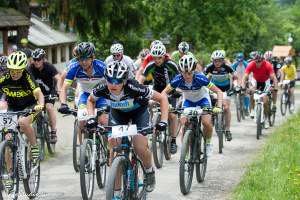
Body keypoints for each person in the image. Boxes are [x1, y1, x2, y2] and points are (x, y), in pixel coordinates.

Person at [86, 61, 169, 196]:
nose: (113, 84)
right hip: (118, 114)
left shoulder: (134, 87)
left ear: (124, 81)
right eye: (110, 80)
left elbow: (162, 98)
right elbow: (90, 100)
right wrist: (90, 117)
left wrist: (164, 121)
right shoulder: (102, 88)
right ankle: (117, 193)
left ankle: (149, 171)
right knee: (114, 146)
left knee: (139, 146)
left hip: (139, 113)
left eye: (118, 81)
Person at [162, 54, 223, 156]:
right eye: (184, 73)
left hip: (203, 100)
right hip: (188, 101)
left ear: (194, 71)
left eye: (189, 73)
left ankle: (208, 143)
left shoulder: (201, 78)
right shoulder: (177, 79)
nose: (187, 76)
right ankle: (185, 155)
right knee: (183, 122)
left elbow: (219, 92)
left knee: (206, 122)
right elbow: (163, 93)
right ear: (180, 72)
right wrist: (167, 105)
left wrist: (219, 107)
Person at [0, 51, 44, 165]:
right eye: (12, 70)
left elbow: (39, 94)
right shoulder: (5, 77)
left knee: (23, 122)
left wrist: (41, 105)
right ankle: (9, 175)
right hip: (12, 108)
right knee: (7, 139)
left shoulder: (27, 76)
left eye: (17, 71)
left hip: (29, 106)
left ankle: (34, 147)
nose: (14, 73)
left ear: (23, 69)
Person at [58, 42, 108, 142]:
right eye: (81, 59)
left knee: (104, 121)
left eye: (86, 58)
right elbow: (64, 88)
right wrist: (63, 103)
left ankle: (106, 148)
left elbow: (113, 84)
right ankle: (84, 149)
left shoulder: (102, 67)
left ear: (92, 57)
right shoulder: (74, 68)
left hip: (101, 95)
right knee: (82, 121)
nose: (84, 62)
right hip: (85, 95)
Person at [138, 43, 180, 154]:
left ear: (164, 56)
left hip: (170, 91)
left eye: (159, 58)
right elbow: (141, 78)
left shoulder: (171, 64)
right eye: (155, 58)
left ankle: (174, 141)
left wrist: (179, 90)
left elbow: (180, 77)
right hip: (157, 90)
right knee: (148, 104)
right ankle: (153, 123)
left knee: (172, 115)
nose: (157, 60)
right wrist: (137, 90)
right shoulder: (150, 65)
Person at [28, 48, 62, 143]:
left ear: (43, 59)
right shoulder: (30, 68)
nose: (36, 62)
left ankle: (53, 131)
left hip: (49, 93)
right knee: (34, 109)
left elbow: (58, 78)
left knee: (49, 107)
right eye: (34, 59)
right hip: (36, 94)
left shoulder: (49, 67)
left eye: (38, 59)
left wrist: (58, 90)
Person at [205, 50, 238, 141]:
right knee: (210, 106)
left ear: (223, 60)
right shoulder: (209, 67)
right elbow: (203, 78)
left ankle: (227, 130)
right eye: (215, 61)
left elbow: (234, 77)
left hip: (226, 89)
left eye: (219, 60)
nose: (217, 63)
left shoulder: (227, 67)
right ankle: (211, 119)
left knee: (226, 108)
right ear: (212, 61)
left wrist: (235, 86)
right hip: (214, 89)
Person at [241, 51, 278, 129]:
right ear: (254, 60)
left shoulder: (267, 65)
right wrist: (243, 86)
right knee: (251, 92)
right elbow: (245, 76)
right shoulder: (251, 64)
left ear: (263, 60)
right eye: (256, 61)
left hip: (265, 81)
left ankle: (267, 119)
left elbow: (274, 77)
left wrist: (276, 87)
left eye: (260, 61)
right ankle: (252, 110)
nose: (258, 63)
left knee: (265, 101)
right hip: (255, 81)